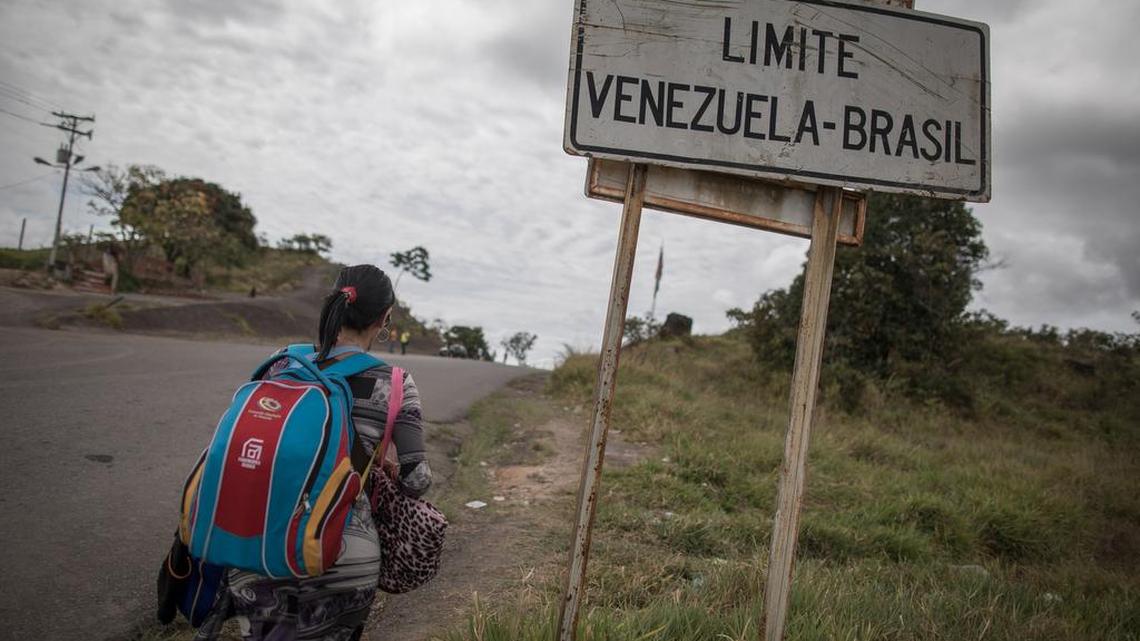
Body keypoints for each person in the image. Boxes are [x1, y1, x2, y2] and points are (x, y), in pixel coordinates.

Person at [194, 264, 432, 641]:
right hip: (342, 555)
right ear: (385, 317)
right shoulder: (397, 383)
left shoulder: (285, 361)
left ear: (334, 303)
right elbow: (417, 479)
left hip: (259, 547)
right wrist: (379, 469)